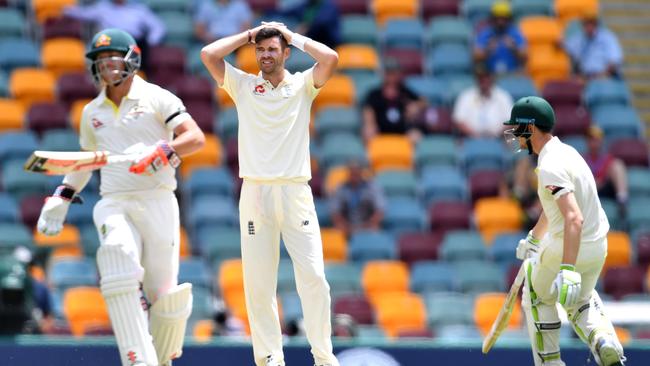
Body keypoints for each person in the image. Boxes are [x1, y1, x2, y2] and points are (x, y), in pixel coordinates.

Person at [36, 28, 205, 366]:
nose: (107, 67)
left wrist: (162, 150)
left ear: (132, 59)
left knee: (164, 298)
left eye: (113, 59)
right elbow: (87, 161)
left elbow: (196, 138)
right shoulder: (91, 112)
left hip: (157, 199)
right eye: (101, 61)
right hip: (114, 199)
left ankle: (158, 359)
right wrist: (62, 196)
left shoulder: (158, 97)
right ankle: (136, 359)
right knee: (116, 256)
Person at [200, 22, 340, 366]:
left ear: (285, 52)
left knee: (314, 278)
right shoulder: (244, 85)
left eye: (272, 49)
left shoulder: (303, 84)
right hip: (256, 192)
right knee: (259, 285)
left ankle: (323, 357)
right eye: (260, 50)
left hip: (295, 190)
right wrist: (248, 35)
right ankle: (269, 359)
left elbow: (331, 58)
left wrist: (292, 35)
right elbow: (208, 55)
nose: (265, 55)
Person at [503, 96, 625, 366]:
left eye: (517, 127)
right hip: (597, 249)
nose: (514, 133)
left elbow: (573, 217)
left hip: (569, 247)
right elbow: (555, 208)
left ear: (531, 128)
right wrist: (535, 237)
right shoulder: (568, 153)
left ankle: (550, 362)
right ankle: (602, 338)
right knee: (580, 301)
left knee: (535, 293)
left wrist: (567, 269)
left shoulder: (549, 166)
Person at [63, 0, 166, 71]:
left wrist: (150, 42)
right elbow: (81, 13)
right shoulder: (103, 8)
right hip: (111, 43)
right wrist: (61, 8)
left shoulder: (139, 9)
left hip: (133, 44)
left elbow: (158, 27)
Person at [362, 57, 427, 144]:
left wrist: (416, 106)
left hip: (403, 132)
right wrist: (370, 123)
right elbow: (368, 110)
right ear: (384, 74)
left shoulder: (405, 91)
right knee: (368, 131)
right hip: (380, 131)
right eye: (389, 73)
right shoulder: (375, 94)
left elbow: (424, 101)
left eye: (394, 73)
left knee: (416, 135)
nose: (391, 76)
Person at [453, 64, 513, 138]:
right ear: (477, 79)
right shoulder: (466, 96)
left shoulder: (503, 96)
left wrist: (496, 135)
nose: (484, 80)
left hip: (499, 140)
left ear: (491, 78)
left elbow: (511, 122)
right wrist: (475, 135)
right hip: (471, 139)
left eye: (486, 77)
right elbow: (459, 121)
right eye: (481, 77)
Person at [330, 160, 385, 238]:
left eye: (357, 171)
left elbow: (380, 210)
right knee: (337, 231)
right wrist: (345, 225)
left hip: (368, 225)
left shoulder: (372, 187)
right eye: (352, 172)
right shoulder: (340, 188)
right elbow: (335, 212)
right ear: (348, 173)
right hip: (347, 227)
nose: (354, 174)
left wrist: (369, 224)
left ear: (361, 172)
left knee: (376, 231)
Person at [564, 10, 623, 80]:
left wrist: (603, 75)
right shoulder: (580, 39)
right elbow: (567, 45)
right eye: (586, 23)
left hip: (605, 78)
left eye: (591, 23)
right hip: (586, 78)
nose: (588, 26)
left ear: (596, 23)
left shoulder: (607, 37)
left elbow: (614, 61)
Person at [474, 0, 527, 75]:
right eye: (497, 18)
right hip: (491, 75)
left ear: (509, 19)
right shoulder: (486, 33)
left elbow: (525, 56)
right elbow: (476, 57)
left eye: (503, 19)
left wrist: (514, 49)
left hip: (512, 74)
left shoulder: (515, 33)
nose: (500, 22)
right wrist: (488, 50)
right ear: (493, 18)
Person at [583, 126, 628, 212]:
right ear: (587, 141)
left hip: (605, 189)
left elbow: (605, 174)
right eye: (591, 139)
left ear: (601, 141)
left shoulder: (607, 158)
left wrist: (600, 180)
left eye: (597, 139)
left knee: (617, 165)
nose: (594, 142)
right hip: (589, 191)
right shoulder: (582, 158)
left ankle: (622, 199)